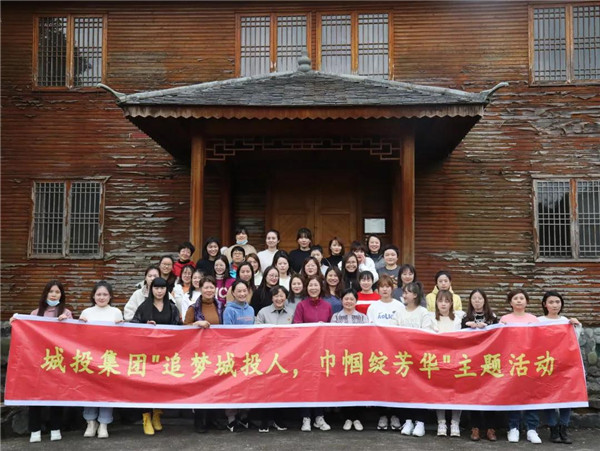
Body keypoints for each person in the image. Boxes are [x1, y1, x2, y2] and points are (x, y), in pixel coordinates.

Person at [10, 280, 72, 443]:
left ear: (61, 295)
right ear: (45, 294)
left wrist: (66, 321)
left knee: (56, 395)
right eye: (51, 291)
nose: (54, 295)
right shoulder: (35, 313)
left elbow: (73, 337)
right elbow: (26, 334)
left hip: (57, 361)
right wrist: (16, 322)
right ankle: (35, 429)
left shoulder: (66, 313)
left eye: (57, 292)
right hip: (38, 362)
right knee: (35, 395)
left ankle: (56, 428)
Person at [131, 277, 182, 435]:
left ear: (166, 290)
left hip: (165, 354)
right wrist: (144, 327)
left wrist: (194, 326)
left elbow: (179, 328)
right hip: (147, 354)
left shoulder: (172, 308)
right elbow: (133, 324)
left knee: (162, 385)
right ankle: (146, 417)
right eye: (156, 288)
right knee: (146, 385)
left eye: (162, 288)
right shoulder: (144, 307)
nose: (159, 291)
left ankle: (157, 415)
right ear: (151, 289)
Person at [79, 281, 123, 439]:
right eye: (99, 294)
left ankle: (104, 423)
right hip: (89, 358)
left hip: (108, 358)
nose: (102, 297)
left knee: (106, 390)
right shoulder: (86, 312)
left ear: (110, 296)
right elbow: (76, 337)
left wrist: (122, 326)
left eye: (105, 294)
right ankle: (90, 422)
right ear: (93, 296)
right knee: (89, 390)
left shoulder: (116, 312)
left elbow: (121, 337)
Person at [539, 290, 582, 444]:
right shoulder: (538, 322)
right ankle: (553, 429)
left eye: (557, 302)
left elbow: (574, 342)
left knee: (567, 398)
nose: (554, 305)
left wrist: (576, 326)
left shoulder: (566, 321)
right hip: (545, 365)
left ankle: (564, 428)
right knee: (549, 398)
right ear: (545, 304)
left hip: (565, 366)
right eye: (551, 302)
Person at [500, 288, 542, 444]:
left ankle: (532, 429)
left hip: (530, 363)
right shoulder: (505, 319)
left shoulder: (533, 319)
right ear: (510, 302)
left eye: (522, 298)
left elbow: (541, 340)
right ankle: (513, 428)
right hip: (512, 363)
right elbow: (498, 341)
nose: (519, 300)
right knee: (513, 396)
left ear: (527, 301)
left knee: (531, 396)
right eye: (515, 298)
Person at [293, 276, 332, 432]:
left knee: (320, 384)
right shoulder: (301, 306)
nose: (313, 288)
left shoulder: (327, 306)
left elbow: (332, 328)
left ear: (320, 288)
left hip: (323, 352)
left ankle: (319, 417)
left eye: (316, 285)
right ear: (306, 288)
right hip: (306, 352)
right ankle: (306, 417)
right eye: (310, 286)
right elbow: (296, 326)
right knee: (306, 384)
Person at [397, 281, 435, 437]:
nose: (404, 295)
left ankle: (420, 422)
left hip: (420, 357)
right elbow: (392, 331)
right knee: (406, 390)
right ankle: (408, 420)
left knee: (420, 390)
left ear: (415, 295)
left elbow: (426, 332)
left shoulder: (423, 312)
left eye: (407, 292)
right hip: (404, 358)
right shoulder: (399, 312)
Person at [461, 289, 499, 442]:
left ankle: (490, 428)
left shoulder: (493, 317)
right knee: (475, 396)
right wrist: (467, 327)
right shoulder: (465, 317)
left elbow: (500, 335)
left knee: (491, 395)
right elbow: (459, 339)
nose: (477, 301)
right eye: (474, 298)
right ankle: (475, 428)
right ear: (470, 301)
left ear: (485, 300)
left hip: (490, 360)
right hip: (472, 361)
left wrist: (487, 328)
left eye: (480, 298)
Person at [255, 285, 292, 433]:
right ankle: (264, 420)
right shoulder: (263, 312)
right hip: (266, 356)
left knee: (281, 389)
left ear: (286, 297)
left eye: (282, 296)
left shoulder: (292, 312)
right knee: (266, 389)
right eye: (276, 296)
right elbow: (256, 332)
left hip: (286, 356)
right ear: (272, 298)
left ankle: (278, 419)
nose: (279, 299)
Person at [331, 288, 368, 432]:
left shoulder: (363, 317)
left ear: (356, 301)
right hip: (342, 357)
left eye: (351, 299)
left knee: (358, 387)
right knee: (344, 387)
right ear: (341, 300)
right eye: (346, 299)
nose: (348, 301)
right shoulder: (335, 317)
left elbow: (367, 337)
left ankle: (357, 418)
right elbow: (333, 337)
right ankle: (347, 418)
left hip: (358, 357)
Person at [432, 290, 465, 438]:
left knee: (456, 392)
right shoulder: (431, 319)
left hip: (455, 361)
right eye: (440, 301)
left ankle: (455, 423)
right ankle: (441, 422)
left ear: (451, 303)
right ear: (436, 303)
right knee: (440, 393)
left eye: (446, 301)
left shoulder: (459, 318)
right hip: (437, 361)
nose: (443, 304)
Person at [222, 280, 255, 432]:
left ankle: (244, 416)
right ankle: (231, 417)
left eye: (244, 291)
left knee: (247, 385)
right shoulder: (228, 310)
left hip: (249, 354)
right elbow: (228, 334)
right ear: (233, 293)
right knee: (233, 386)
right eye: (239, 291)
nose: (242, 294)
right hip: (234, 353)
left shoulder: (251, 310)